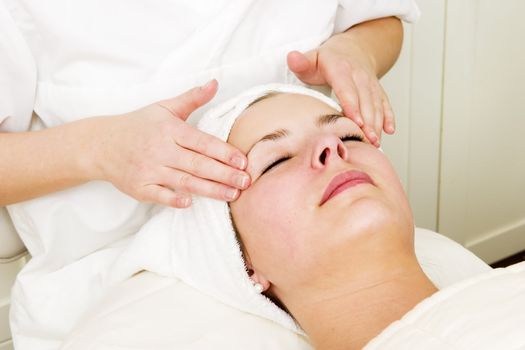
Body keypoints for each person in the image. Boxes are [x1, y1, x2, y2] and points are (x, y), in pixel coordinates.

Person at [1, 1, 421, 349]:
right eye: (274, 160)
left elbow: (377, 16)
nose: (335, 149)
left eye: (347, 132)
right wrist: (97, 148)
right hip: (100, 276)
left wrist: (354, 51)